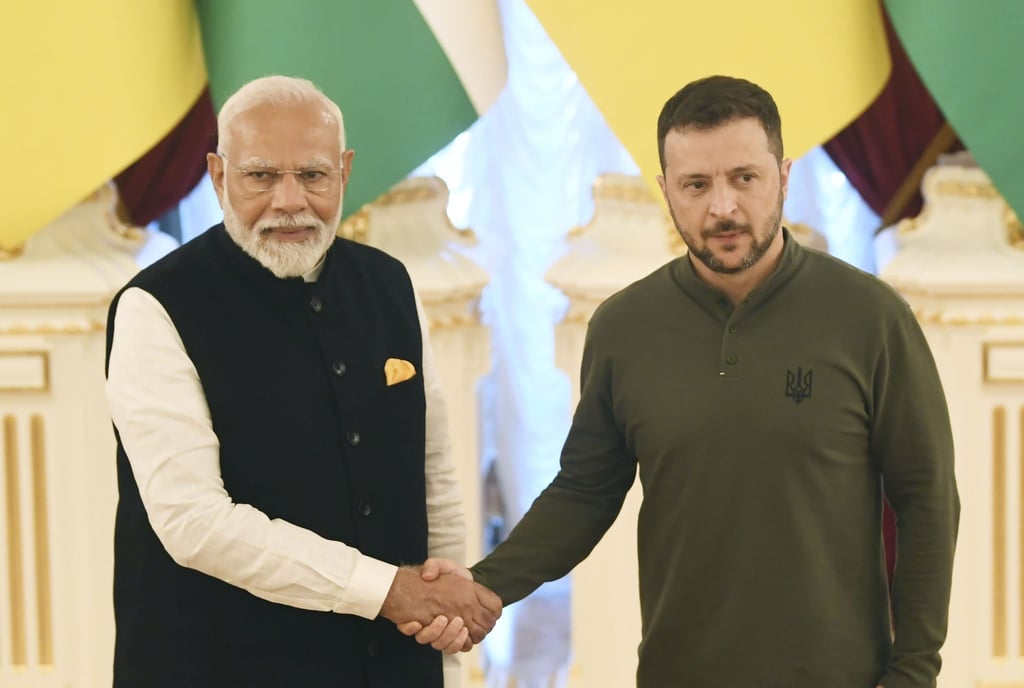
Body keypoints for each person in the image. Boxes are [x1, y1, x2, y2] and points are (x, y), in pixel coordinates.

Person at [407, 75, 960, 687]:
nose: (722, 207)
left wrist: (914, 672)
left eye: (744, 178)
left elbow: (927, 499)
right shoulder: (624, 327)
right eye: (696, 184)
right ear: (666, 188)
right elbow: (585, 492)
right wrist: (486, 584)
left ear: (784, 174)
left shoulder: (871, 318)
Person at [104, 75, 500, 688]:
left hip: (393, 664)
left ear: (344, 172)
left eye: (313, 176)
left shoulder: (390, 284)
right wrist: (389, 591)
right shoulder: (154, 308)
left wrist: (444, 603)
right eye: (261, 176)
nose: (290, 200)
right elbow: (193, 522)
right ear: (217, 175)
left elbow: (431, 468)